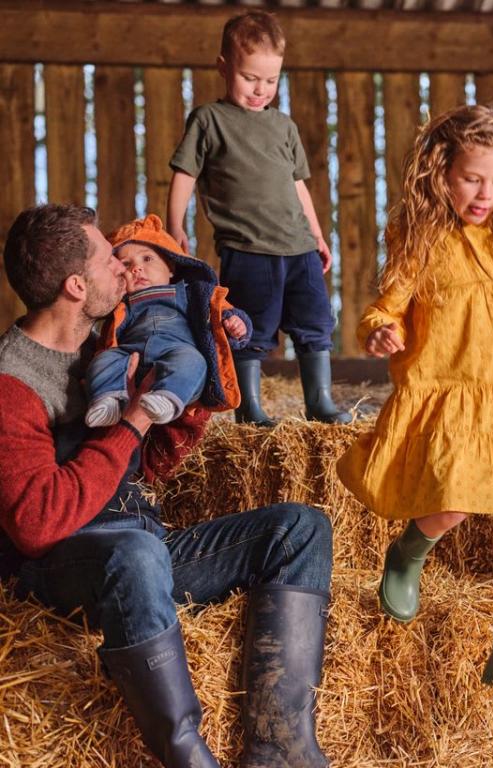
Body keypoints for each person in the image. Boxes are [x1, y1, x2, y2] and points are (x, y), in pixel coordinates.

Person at [0, 204, 335, 768]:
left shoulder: (107, 345)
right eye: (111, 260)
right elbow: (36, 524)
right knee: (133, 553)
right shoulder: (13, 383)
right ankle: (187, 754)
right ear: (77, 285)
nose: (125, 270)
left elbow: (135, 469)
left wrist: (183, 406)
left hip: (142, 549)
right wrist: (131, 420)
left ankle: (281, 749)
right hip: (60, 567)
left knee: (299, 527)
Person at [336, 103, 493, 696]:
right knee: (453, 503)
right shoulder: (420, 239)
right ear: (440, 171)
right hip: (457, 392)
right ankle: (409, 550)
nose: (486, 194)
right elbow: (387, 304)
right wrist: (379, 329)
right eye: (472, 179)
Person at [166, 10, 350, 427]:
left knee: (315, 321)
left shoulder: (283, 126)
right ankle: (250, 407)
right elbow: (184, 175)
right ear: (224, 67)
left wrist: (318, 234)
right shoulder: (209, 120)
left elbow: (298, 184)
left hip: (298, 246)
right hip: (247, 249)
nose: (260, 89)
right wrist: (175, 225)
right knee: (249, 328)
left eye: (270, 80)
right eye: (250, 78)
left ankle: (319, 401)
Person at [85, 214, 251, 428]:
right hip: (131, 357)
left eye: (147, 259)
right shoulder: (122, 304)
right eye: (126, 264)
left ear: (171, 264)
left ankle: (167, 398)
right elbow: (106, 337)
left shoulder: (190, 293)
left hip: (177, 353)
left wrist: (234, 323)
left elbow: (218, 310)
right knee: (105, 359)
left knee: (194, 361)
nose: (136, 268)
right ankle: (109, 400)